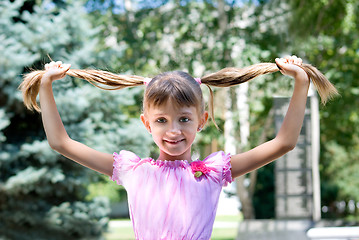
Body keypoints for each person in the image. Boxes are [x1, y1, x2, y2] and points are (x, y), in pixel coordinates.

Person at [20, 56, 337, 240]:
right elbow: (60, 142)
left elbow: (284, 142)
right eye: (161, 120)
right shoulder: (132, 170)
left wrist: (300, 83)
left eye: (184, 119)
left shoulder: (215, 171)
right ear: (147, 123)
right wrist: (46, 86)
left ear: (202, 121)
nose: (173, 131)